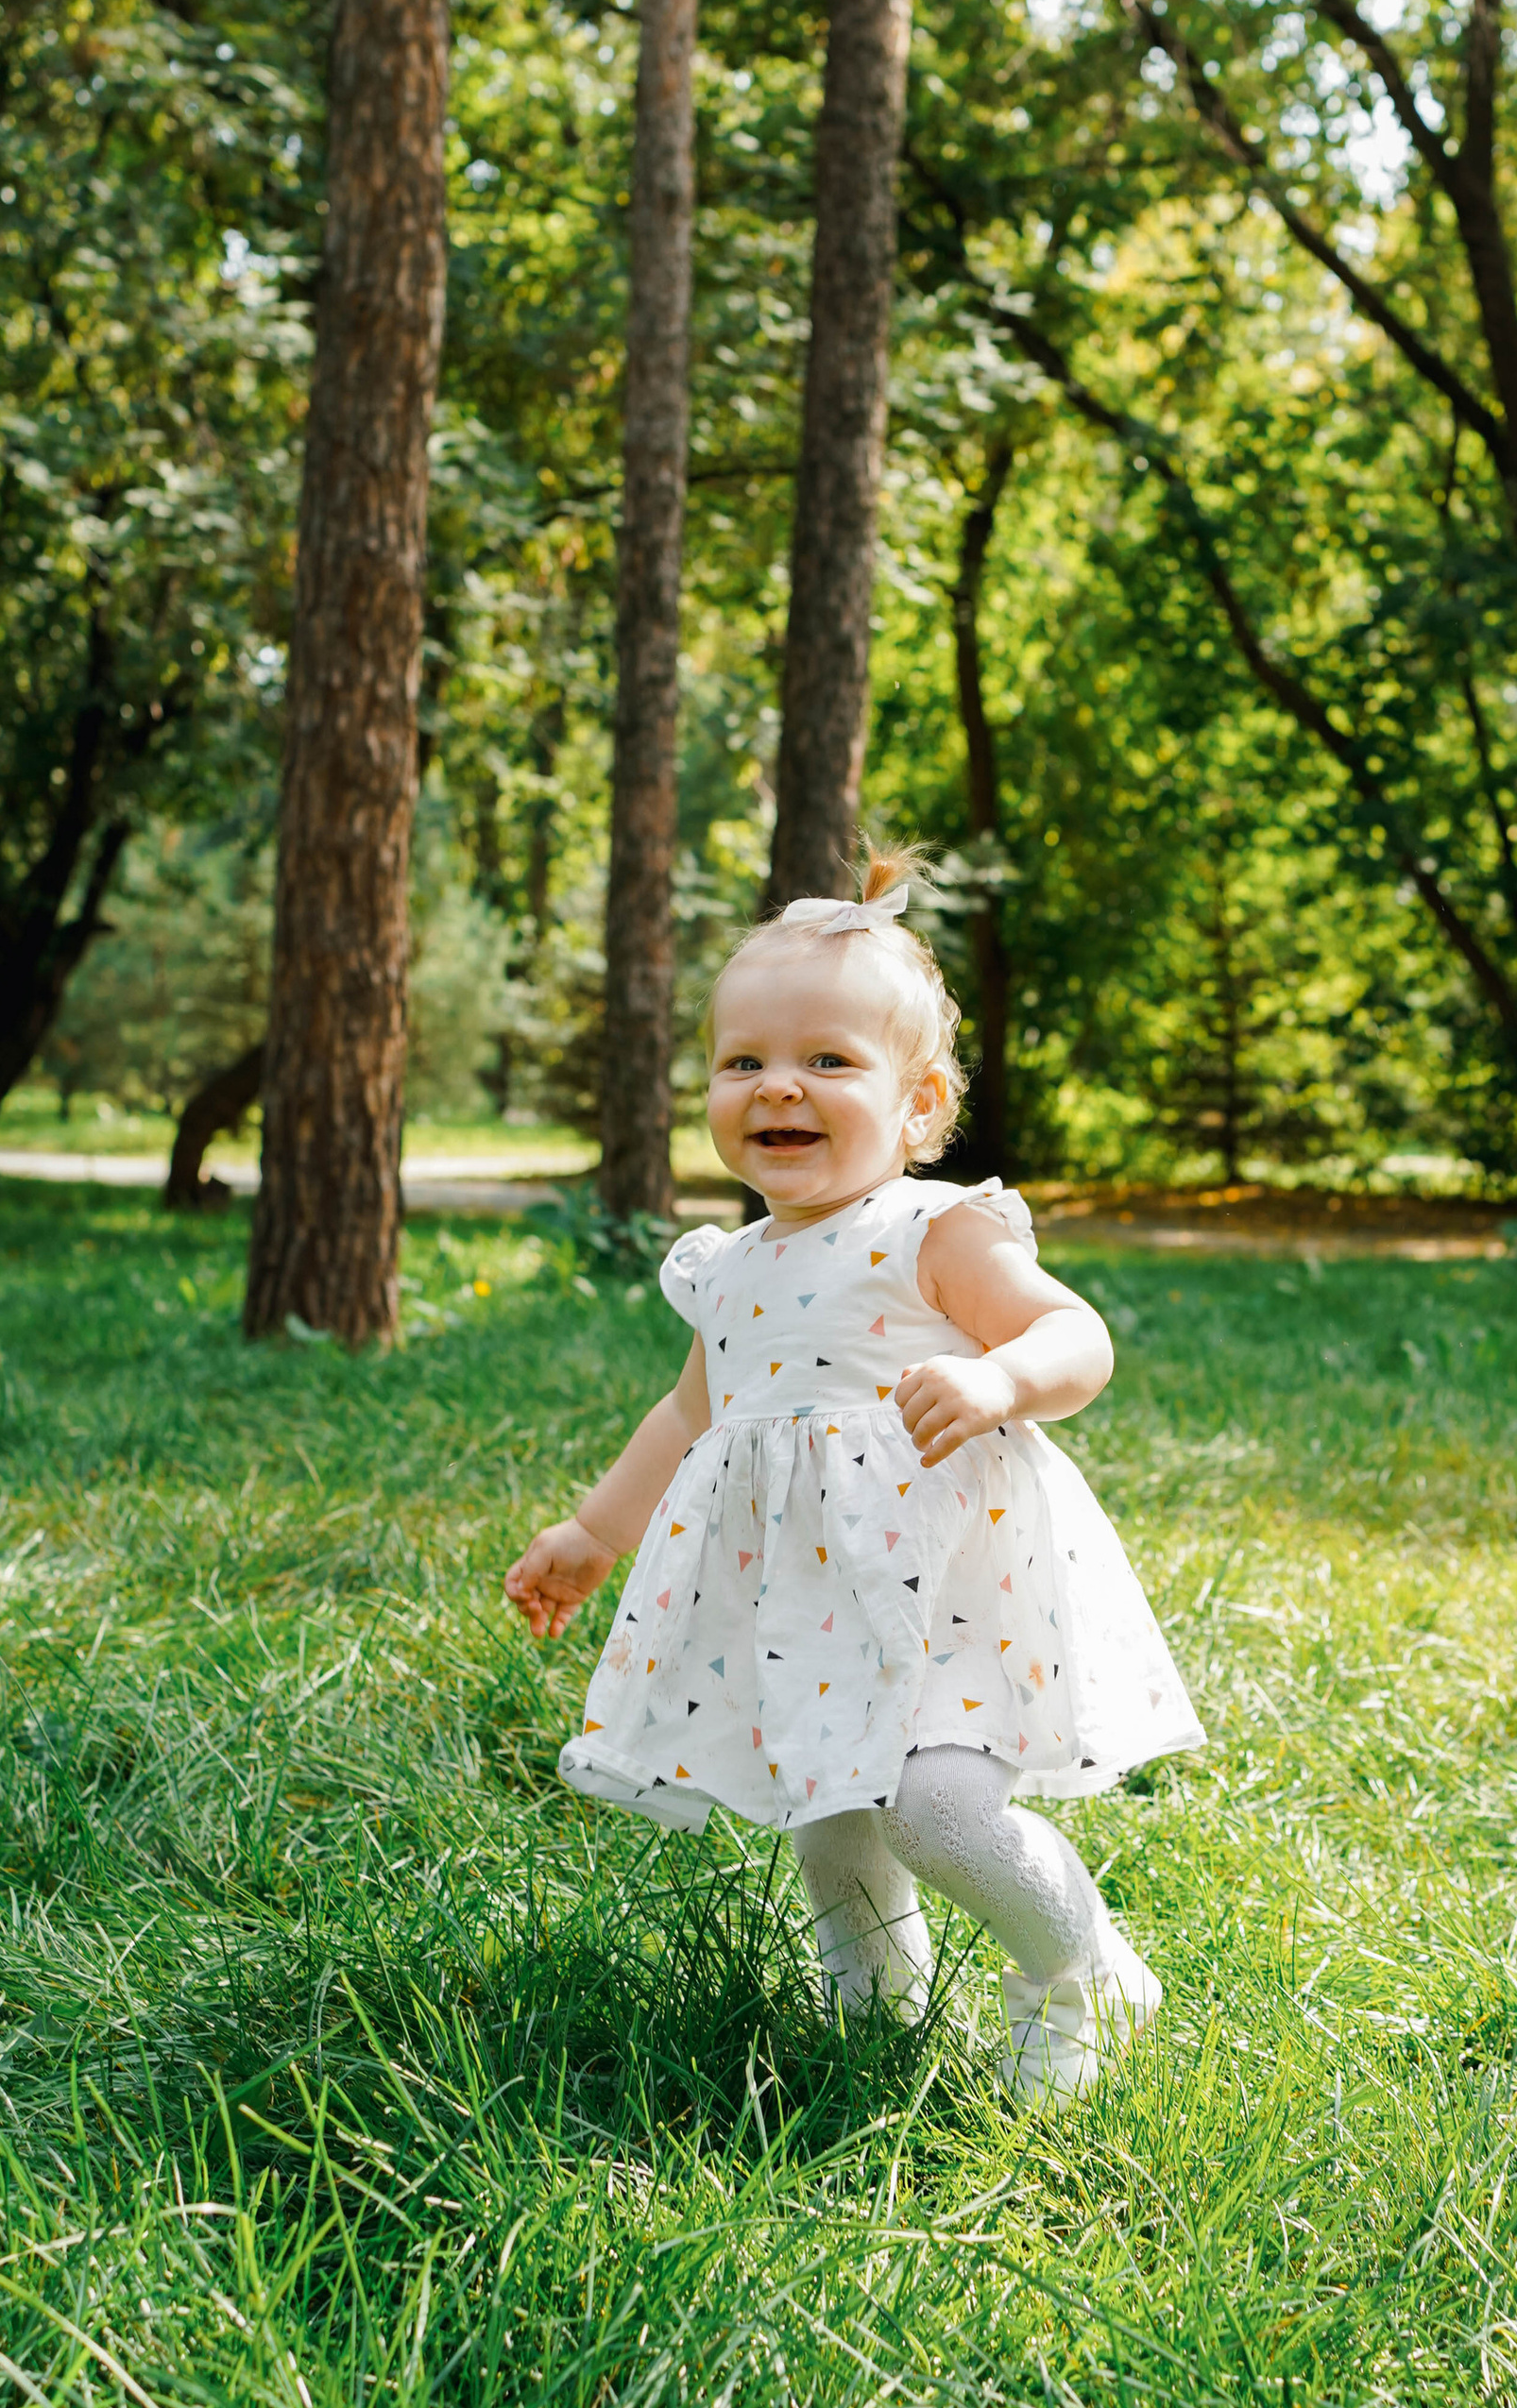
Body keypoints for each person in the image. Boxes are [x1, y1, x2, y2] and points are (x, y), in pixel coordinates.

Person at [505, 847, 1203, 2100]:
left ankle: (1078, 1971)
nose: (780, 1084)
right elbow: (690, 1416)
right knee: (831, 1826)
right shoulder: (730, 1268)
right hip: (812, 1607)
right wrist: (590, 1534)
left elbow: (1075, 1335)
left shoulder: (930, 1232)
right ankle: (872, 2025)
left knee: (937, 1813)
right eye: (745, 1061)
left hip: (947, 1590)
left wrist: (997, 1380)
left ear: (919, 1102)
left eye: (829, 1060)